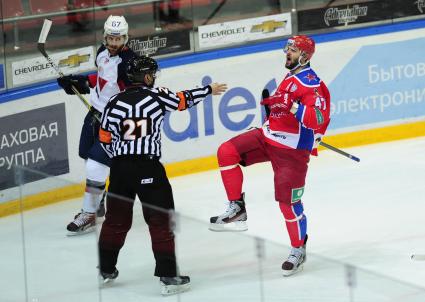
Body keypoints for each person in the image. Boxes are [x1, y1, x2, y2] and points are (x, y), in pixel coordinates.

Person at [97, 55, 227, 295]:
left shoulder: (113, 102)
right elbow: (183, 101)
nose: (153, 78)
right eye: (152, 74)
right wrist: (208, 89)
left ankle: (106, 269)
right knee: (160, 221)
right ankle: (168, 276)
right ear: (146, 77)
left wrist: (119, 155)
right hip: (149, 169)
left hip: (120, 171)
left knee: (116, 220)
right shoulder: (156, 96)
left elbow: (104, 139)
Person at [209, 35, 331, 277]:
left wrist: (295, 108)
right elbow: (282, 109)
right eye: (287, 49)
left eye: (292, 50)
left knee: (288, 204)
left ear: (305, 56)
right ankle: (237, 208)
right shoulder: (291, 75)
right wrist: (272, 115)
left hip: (292, 151)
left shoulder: (312, 84)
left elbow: (318, 118)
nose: (287, 53)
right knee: (227, 151)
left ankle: (298, 249)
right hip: (267, 138)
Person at [57, 15, 137, 235]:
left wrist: (118, 119)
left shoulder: (129, 63)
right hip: (94, 114)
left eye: (118, 39)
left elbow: (134, 95)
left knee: (95, 165)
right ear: (105, 37)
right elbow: (101, 80)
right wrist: (80, 82)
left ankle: (89, 213)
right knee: (86, 154)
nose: (113, 43)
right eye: (110, 38)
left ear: (126, 37)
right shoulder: (101, 53)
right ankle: (98, 198)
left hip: (113, 121)